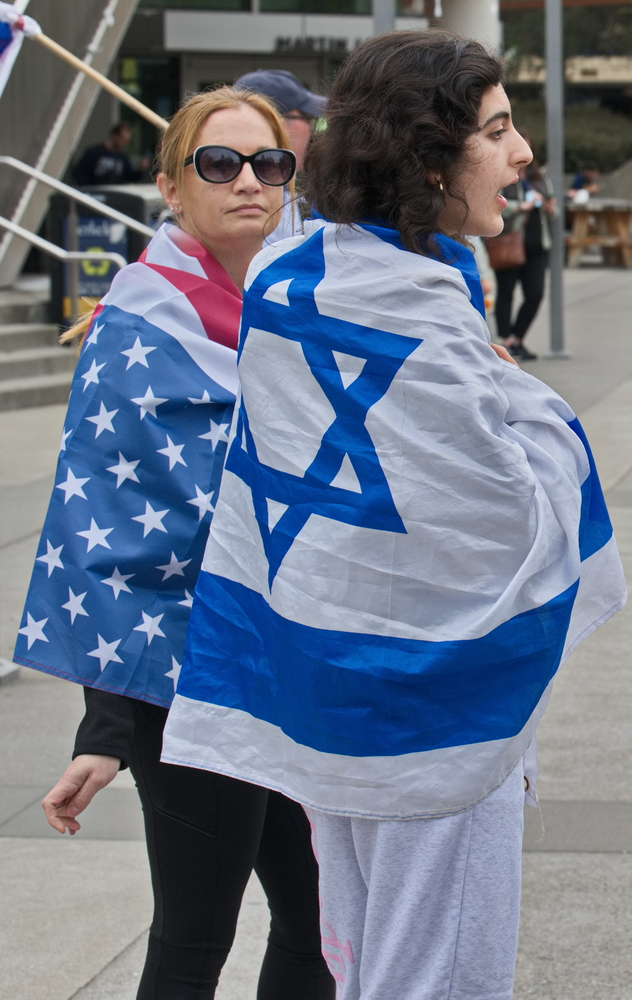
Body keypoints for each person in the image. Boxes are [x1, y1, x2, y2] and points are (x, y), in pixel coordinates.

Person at [159, 32, 625, 1000]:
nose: (521, 153)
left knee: (365, 959)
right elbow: (511, 512)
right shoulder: (416, 309)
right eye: (495, 130)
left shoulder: (288, 279)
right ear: (428, 156)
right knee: (434, 975)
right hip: (431, 709)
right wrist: (529, 402)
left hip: (327, 687)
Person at [16, 87, 331, 999]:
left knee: (323, 923)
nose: (249, 182)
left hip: (291, 661)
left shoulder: (305, 305)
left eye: (269, 164)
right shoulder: (138, 327)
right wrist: (107, 729)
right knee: (195, 941)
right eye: (219, 163)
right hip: (189, 677)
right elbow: (106, 532)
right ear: (170, 186)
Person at [234, 68, 327, 243]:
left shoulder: (289, 196)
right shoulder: (271, 202)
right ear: (281, 125)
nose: (311, 129)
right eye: (307, 118)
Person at [493, 160, 554, 360]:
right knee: (506, 292)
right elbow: (494, 204)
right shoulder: (504, 176)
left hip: (537, 246)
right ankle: (506, 340)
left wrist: (547, 205)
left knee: (535, 293)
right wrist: (522, 206)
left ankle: (517, 338)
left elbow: (556, 210)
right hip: (509, 244)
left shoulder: (540, 180)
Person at [70, 121, 146, 186]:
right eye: (123, 139)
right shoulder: (94, 152)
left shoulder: (123, 158)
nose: (124, 143)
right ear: (114, 136)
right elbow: (79, 172)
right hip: (95, 192)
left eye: (126, 141)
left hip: (114, 195)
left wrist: (141, 170)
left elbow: (131, 176)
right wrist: (87, 190)